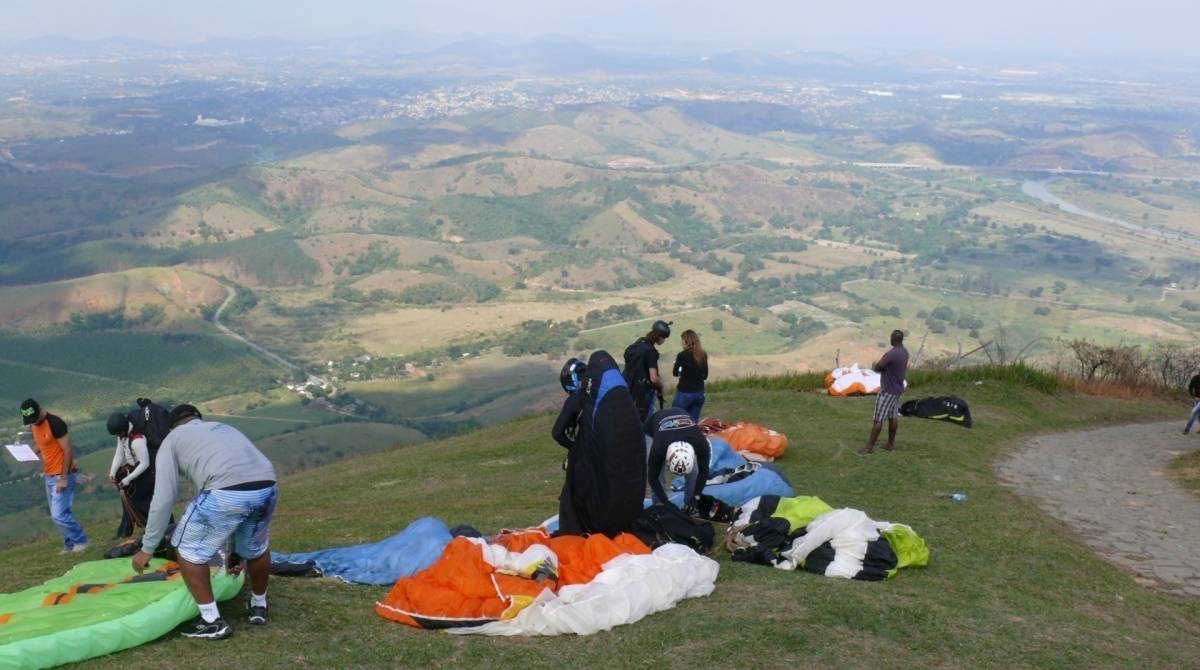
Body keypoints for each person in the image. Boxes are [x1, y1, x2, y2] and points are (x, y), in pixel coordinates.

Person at [132, 405, 278, 640]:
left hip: (224, 490)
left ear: (172, 426)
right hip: (267, 487)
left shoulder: (172, 440)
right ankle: (259, 604)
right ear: (198, 418)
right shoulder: (223, 427)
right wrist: (235, 551)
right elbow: (241, 490)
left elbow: (163, 498)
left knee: (187, 550)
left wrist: (147, 548)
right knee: (256, 547)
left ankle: (211, 621)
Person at [553, 351, 646, 537]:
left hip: (592, 457)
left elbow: (557, 433)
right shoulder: (603, 396)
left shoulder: (577, 399)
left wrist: (575, 448)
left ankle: (577, 527)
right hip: (621, 458)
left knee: (575, 489)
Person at [20, 398, 88, 553]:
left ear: (39, 410)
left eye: (34, 418)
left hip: (61, 475)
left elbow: (68, 450)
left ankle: (81, 541)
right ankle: (69, 546)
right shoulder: (34, 425)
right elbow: (42, 443)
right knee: (59, 514)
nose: (33, 422)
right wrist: (29, 454)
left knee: (58, 515)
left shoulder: (55, 423)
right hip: (48, 475)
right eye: (29, 420)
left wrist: (64, 478)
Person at [106, 411, 168, 538]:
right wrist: (113, 471)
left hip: (147, 471)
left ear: (123, 429)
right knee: (130, 498)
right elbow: (119, 453)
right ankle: (128, 528)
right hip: (135, 469)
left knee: (143, 501)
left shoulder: (137, 441)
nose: (117, 436)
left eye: (118, 433)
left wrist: (129, 478)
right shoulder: (123, 435)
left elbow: (145, 463)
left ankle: (160, 525)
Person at [644, 407, 711, 511]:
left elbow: (704, 471)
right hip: (652, 427)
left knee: (694, 472)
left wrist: (696, 497)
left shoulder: (701, 443)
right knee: (659, 474)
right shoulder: (659, 448)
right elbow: (653, 478)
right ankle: (660, 506)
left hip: (680, 420)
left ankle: (690, 506)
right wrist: (665, 502)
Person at [860, 330, 909, 455]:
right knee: (893, 416)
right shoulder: (904, 352)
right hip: (897, 389)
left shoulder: (892, 353)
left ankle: (869, 448)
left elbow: (878, 367)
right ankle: (890, 444)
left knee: (878, 419)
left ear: (894, 339)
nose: (890, 339)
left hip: (888, 390)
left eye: (891, 337)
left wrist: (876, 365)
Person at [623, 320, 671, 420]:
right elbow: (653, 378)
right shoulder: (651, 352)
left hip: (628, 387)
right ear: (659, 336)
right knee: (645, 421)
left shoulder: (640, 342)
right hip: (643, 393)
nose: (664, 340)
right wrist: (661, 386)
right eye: (664, 338)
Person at [671, 329, 709, 422]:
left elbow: (675, 373)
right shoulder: (703, 354)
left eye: (682, 341)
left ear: (686, 342)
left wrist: (677, 366)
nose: (681, 343)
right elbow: (705, 376)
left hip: (685, 393)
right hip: (699, 393)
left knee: (675, 420)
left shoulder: (682, 355)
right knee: (692, 423)